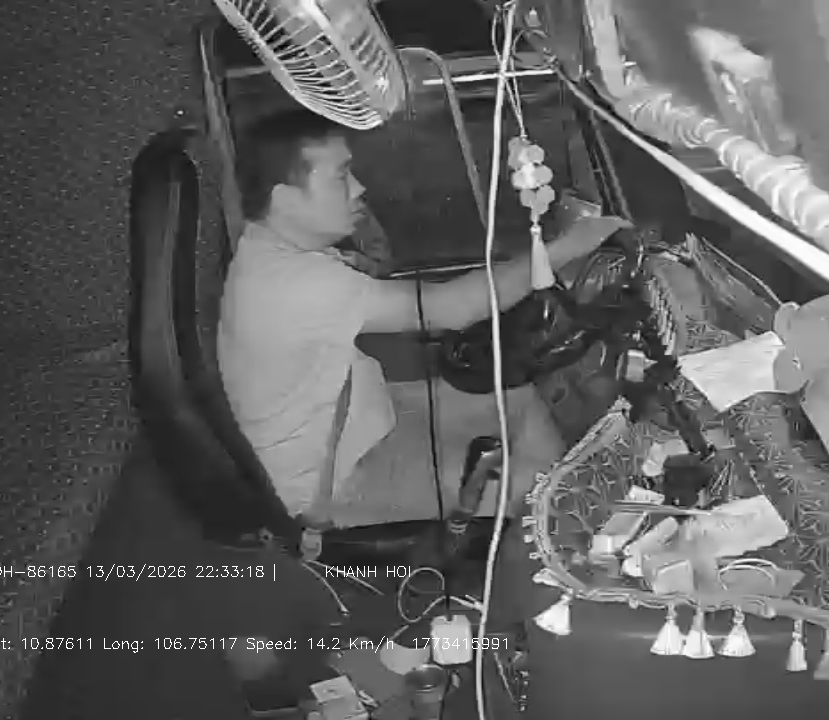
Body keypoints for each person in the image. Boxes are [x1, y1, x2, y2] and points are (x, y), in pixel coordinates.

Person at [219, 108, 628, 527]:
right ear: (285, 199)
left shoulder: (269, 250)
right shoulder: (297, 283)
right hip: (334, 479)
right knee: (542, 492)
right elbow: (453, 309)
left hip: (359, 416)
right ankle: (558, 536)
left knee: (518, 398)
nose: (359, 188)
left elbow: (370, 277)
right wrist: (568, 247)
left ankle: (549, 510)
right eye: (341, 177)